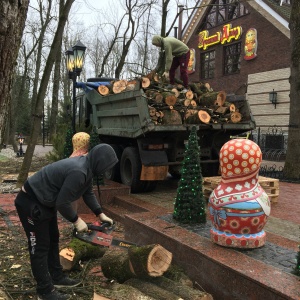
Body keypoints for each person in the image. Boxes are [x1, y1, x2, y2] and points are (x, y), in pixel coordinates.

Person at [14, 144, 118, 300]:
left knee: (53, 238)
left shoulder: (87, 168)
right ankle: (44, 291)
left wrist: (100, 213)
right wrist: (77, 221)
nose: (104, 171)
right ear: (100, 162)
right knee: (39, 246)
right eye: (105, 167)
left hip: (45, 201)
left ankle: (57, 277)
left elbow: (88, 192)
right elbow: (62, 203)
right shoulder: (79, 170)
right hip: (30, 201)